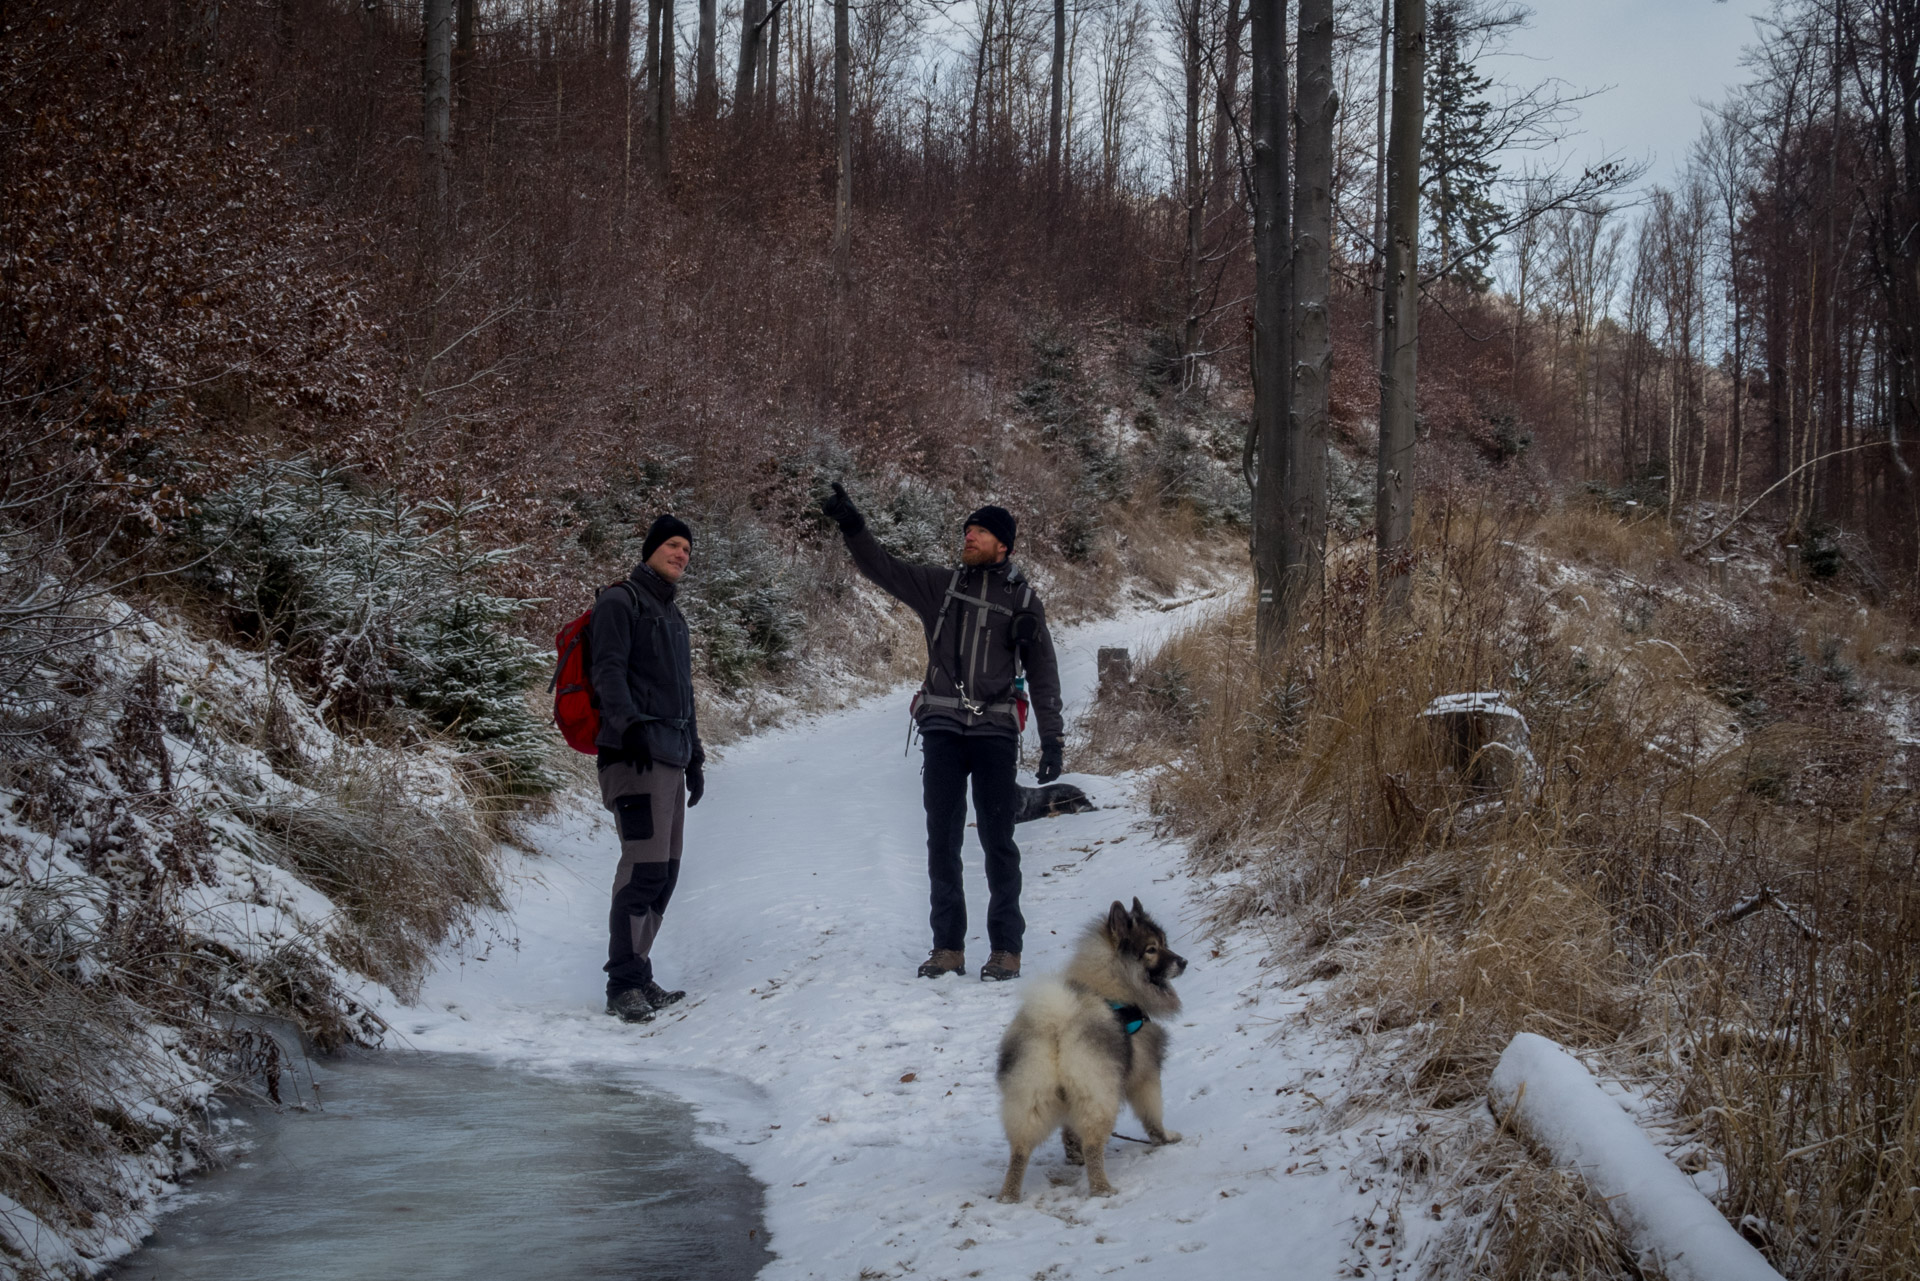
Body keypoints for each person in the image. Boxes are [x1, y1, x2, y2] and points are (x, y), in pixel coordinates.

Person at [821, 483, 1065, 982]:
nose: (969, 536)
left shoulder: (1022, 599)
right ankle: (947, 947)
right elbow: (883, 568)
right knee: (942, 840)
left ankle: (1005, 950)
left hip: (996, 730)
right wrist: (853, 526)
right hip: (942, 727)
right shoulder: (940, 587)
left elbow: (1043, 673)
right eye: (967, 530)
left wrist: (1054, 737)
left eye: (980, 531)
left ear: (1004, 544)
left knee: (1000, 842)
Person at [590, 514, 707, 1023]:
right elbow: (607, 669)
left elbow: (684, 692)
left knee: (665, 875)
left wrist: (696, 753)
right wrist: (628, 724)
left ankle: (638, 972)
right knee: (642, 870)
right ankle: (622, 984)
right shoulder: (620, 601)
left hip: (671, 756)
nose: (680, 553)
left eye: (686, 548)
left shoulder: (672, 614)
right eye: (672, 545)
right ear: (651, 549)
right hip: (633, 755)